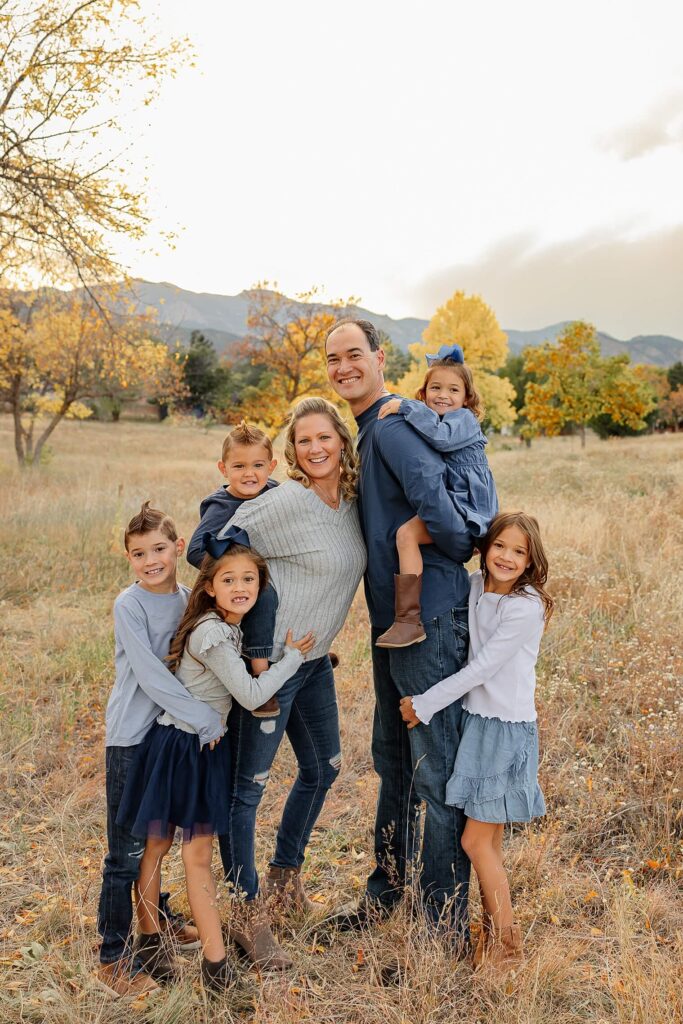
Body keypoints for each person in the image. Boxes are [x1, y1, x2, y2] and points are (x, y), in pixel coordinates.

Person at [325, 318, 497, 938]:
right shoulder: (370, 429)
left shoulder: (396, 428)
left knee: (434, 766)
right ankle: (387, 895)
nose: (343, 366)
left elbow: (453, 524)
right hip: (390, 621)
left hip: (427, 617)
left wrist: (418, 544)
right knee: (394, 758)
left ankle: (442, 924)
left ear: (378, 357)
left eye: (354, 354)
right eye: (332, 358)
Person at [116, 539, 314, 991]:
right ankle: (205, 961)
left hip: (201, 747)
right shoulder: (212, 633)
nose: (240, 587)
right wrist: (293, 660)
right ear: (208, 588)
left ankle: (182, 953)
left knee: (169, 848)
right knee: (178, 852)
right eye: (229, 580)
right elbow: (249, 694)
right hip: (184, 748)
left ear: (261, 586)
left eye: (249, 579)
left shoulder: (222, 627)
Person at [214, 397, 366, 969]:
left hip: (312, 663)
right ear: (292, 453)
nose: (315, 448)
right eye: (303, 440)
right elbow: (219, 545)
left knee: (323, 767)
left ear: (341, 442)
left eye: (324, 437)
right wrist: (255, 640)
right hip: (269, 669)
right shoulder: (284, 502)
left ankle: (283, 878)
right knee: (246, 790)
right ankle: (245, 914)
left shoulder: (351, 505)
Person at [400, 511, 553, 973]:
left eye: (519, 551)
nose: (506, 557)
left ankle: (507, 947)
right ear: (485, 549)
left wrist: (424, 703)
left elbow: (481, 668)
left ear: (531, 560)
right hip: (476, 723)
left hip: (504, 730)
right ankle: (490, 934)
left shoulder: (525, 608)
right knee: (487, 842)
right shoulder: (473, 586)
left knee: (475, 842)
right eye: (500, 546)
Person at [94, 502, 224, 1000]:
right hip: (132, 736)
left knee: (159, 836)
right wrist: (202, 717)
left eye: (159, 549)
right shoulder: (129, 605)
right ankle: (112, 955)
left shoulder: (191, 598)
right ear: (128, 558)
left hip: (168, 738)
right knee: (125, 850)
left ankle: (158, 917)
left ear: (176, 547)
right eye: (137, 553)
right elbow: (150, 675)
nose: (150, 560)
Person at [375, 342, 497, 648]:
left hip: (467, 502)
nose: (443, 395)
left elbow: (441, 440)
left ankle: (408, 620)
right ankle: (408, 618)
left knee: (406, 535)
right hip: (455, 497)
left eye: (454, 390)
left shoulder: (463, 420)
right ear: (424, 391)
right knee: (407, 535)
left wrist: (405, 407)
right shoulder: (435, 418)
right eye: (436, 388)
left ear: (467, 398)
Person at [187, 421, 281, 718]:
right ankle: (259, 671)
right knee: (265, 596)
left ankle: (303, 658)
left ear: (271, 466)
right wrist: (230, 572)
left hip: (264, 569)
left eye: (257, 465)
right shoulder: (222, 506)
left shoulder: (276, 493)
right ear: (223, 468)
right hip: (239, 581)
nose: (249, 474)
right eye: (239, 466)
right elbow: (194, 551)